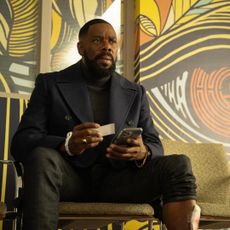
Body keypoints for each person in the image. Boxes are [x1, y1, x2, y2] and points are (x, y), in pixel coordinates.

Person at [11, 18, 200, 230]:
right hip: (68, 179)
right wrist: (66, 145)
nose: (106, 46)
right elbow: (22, 142)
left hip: (119, 181)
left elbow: (154, 143)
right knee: (42, 156)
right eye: (97, 40)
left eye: (112, 41)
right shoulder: (50, 84)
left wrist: (143, 152)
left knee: (179, 163)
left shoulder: (135, 92)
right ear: (81, 48)